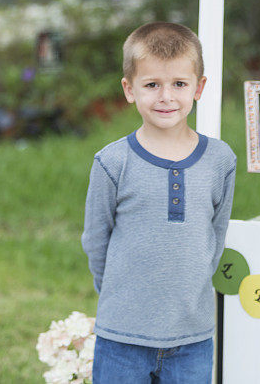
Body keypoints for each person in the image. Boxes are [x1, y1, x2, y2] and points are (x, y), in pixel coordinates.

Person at [82, 22, 236, 383]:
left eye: (179, 84)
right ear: (129, 90)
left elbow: (215, 234)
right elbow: (96, 240)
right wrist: (123, 298)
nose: (166, 96)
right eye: (152, 85)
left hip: (192, 337)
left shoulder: (220, 161)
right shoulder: (112, 162)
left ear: (199, 88)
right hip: (122, 337)